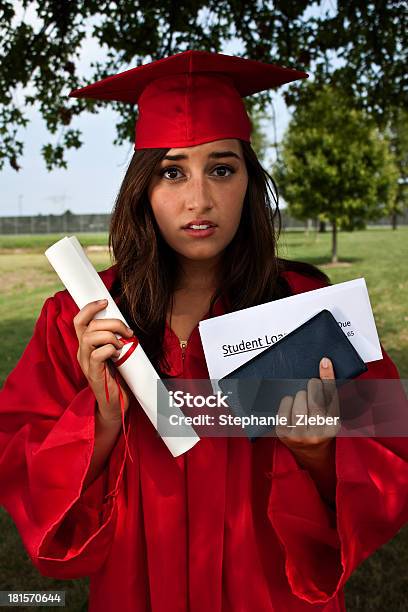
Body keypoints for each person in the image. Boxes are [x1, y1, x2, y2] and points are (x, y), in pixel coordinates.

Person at [0, 50, 407, 612]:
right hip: (138, 585)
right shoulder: (83, 321)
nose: (199, 199)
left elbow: (390, 457)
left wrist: (318, 454)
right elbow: (20, 463)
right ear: (142, 187)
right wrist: (101, 421)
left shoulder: (311, 309)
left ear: (248, 182)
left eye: (221, 168)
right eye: (172, 172)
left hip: (267, 588)